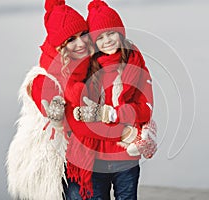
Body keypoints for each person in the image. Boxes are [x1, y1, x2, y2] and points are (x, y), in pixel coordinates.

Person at [6, 0, 93, 199]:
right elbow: (45, 94)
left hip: (83, 161)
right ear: (59, 45)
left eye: (83, 35)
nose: (80, 43)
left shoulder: (90, 70)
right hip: (55, 165)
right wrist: (54, 109)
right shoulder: (42, 76)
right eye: (71, 39)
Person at [72, 0, 157, 199]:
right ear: (93, 42)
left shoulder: (135, 64)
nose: (107, 40)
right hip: (95, 157)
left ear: (120, 33)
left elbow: (145, 109)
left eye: (111, 33)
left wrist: (113, 113)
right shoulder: (87, 67)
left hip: (125, 156)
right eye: (100, 37)